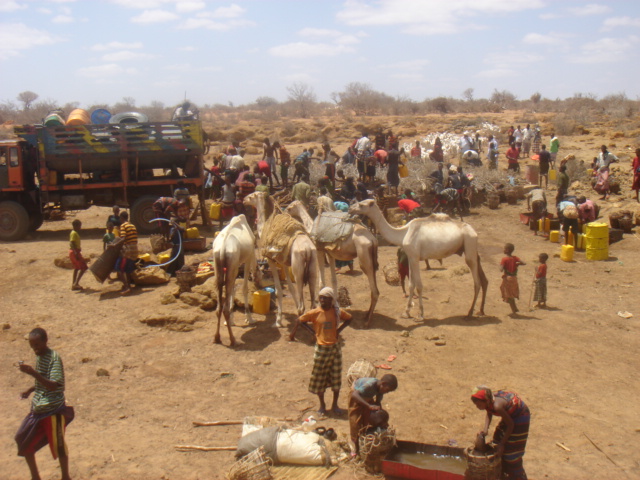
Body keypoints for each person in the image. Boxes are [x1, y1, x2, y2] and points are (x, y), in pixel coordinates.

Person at [15, 328, 74, 480]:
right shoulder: (40, 357)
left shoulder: (53, 357)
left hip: (53, 409)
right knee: (22, 439)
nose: (34, 348)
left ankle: (65, 477)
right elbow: (43, 381)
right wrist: (29, 390)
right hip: (38, 409)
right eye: (32, 345)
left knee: (58, 445)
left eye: (37, 344)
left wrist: (32, 373)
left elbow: (54, 385)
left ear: (45, 341)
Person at [289, 287, 352, 416]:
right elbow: (300, 320)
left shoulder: (337, 312)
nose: (322, 300)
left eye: (325, 298)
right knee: (319, 378)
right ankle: (322, 405)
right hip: (321, 349)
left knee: (336, 378)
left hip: (335, 348)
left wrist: (338, 331)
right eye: (320, 298)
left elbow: (350, 319)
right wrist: (313, 332)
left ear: (331, 300)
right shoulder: (315, 312)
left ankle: (335, 404)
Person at [471, 386, 530, 480]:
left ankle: (518, 475)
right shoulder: (489, 401)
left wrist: (502, 444)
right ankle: (504, 472)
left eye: (478, 404)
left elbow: (511, 425)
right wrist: (485, 430)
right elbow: (489, 412)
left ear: (486, 401)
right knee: (497, 439)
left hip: (520, 416)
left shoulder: (497, 406)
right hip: (509, 416)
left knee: (511, 451)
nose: (477, 407)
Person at [348, 375, 398, 456]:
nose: (387, 392)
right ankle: (355, 447)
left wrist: (381, 419)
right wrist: (368, 406)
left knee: (366, 420)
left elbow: (378, 403)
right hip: (356, 397)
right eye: (387, 390)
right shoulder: (370, 384)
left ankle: (363, 440)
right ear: (383, 384)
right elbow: (354, 395)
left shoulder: (380, 389)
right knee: (355, 422)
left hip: (367, 397)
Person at [113, 210, 138, 295]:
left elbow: (123, 238)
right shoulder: (132, 225)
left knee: (119, 268)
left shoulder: (123, 225)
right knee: (128, 269)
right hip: (135, 249)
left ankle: (126, 286)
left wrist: (114, 245)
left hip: (127, 250)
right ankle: (129, 285)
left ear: (122, 218)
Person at [500, 243, 525, 314]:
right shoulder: (515, 258)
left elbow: (501, 269)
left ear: (507, 250)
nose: (503, 250)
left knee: (508, 294)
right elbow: (524, 263)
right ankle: (514, 308)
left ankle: (514, 310)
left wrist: (501, 266)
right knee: (510, 293)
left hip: (508, 279)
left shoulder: (504, 259)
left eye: (504, 248)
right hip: (514, 278)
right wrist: (517, 264)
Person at [69, 219, 89, 291]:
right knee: (84, 267)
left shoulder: (73, 232)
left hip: (73, 252)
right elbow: (72, 243)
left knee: (76, 268)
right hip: (75, 252)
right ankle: (76, 284)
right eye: (79, 226)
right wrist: (76, 253)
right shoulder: (74, 233)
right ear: (76, 226)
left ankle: (74, 284)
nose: (80, 227)